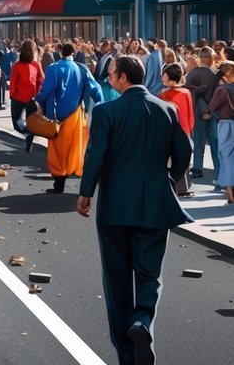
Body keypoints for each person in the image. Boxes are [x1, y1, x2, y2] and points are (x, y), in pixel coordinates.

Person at [77, 54, 191, 365]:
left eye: (112, 74)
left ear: (123, 78)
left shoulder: (105, 111)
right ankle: (143, 321)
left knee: (116, 281)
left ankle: (127, 355)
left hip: (115, 205)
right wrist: (169, 176)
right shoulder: (167, 109)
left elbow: (96, 155)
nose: (109, 78)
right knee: (150, 275)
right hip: (156, 203)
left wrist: (86, 192)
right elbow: (185, 150)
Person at [34, 42, 103, 193]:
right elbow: (96, 89)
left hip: (56, 115)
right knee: (75, 147)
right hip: (76, 114)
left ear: (60, 52)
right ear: (73, 53)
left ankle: (59, 183)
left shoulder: (53, 68)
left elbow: (46, 90)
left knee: (57, 149)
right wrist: (101, 104)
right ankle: (78, 179)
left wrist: (37, 101)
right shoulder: (82, 69)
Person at [157, 63, 195, 197]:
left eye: (164, 74)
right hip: (185, 129)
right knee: (183, 158)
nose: (161, 77)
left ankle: (177, 187)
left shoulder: (164, 95)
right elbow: (190, 112)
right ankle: (184, 186)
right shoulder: (186, 92)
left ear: (170, 76)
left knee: (173, 161)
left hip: (172, 131)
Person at [186, 47, 221, 180]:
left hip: (199, 112)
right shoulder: (216, 74)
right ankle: (219, 174)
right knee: (215, 144)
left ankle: (197, 169)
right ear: (210, 58)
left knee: (199, 141)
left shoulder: (193, 73)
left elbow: (190, 93)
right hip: (215, 112)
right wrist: (210, 110)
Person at [10, 39, 45, 153]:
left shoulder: (17, 65)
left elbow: (13, 81)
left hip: (18, 96)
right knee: (30, 122)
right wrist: (38, 95)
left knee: (16, 121)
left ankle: (26, 132)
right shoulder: (36, 64)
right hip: (32, 97)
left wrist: (12, 95)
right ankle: (28, 142)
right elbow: (41, 81)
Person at [206, 63, 234, 204]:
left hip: (226, 123)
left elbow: (212, 106)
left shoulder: (222, 89)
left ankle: (229, 189)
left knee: (225, 155)